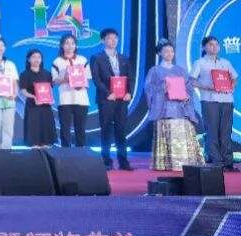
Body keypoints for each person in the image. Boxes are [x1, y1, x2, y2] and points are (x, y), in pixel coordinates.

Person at [146, 41, 205, 171]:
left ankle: (185, 162)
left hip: (180, 107)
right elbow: (148, 89)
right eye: (166, 51)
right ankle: (167, 163)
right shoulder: (154, 71)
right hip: (164, 108)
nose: (169, 54)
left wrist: (187, 96)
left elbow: (188, 87)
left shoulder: (180, 70)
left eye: (171, 51)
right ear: (160, 53)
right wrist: (162, 88)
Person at [191, 36, 238, 172]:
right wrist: (207, 87)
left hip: (227, 100)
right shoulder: (200, 63)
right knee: (212, 132)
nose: (214, 47)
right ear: (204, 47)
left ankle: (228, 162)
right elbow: (192, 81)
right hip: (209, 100)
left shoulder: (225, 62)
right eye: (211, 44)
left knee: (226, 132)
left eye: (217, 44)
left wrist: (231, 86)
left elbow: (234, 77)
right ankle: (217, 162)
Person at [90, 28, 135, 170]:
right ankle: (106, 161)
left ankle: (124, 161)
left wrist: (129, 93)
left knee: (121, 129)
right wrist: (108, 93)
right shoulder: (97, 58)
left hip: (122, 100)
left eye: (115, 38)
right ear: (103, 40)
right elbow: (96, 79)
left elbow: (130, 78)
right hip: (106, 99)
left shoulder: (124, 58)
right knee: (106, 130)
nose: (113, 40)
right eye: (109, 38)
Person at [52, 34, 91, 147]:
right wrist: (65, 79)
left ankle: (81, 152)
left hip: (81, 99)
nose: (70, 46)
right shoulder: (57, 61)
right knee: (65, 128)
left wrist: (79, 81)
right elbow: (54, 81)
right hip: (65, 99)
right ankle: (65, 152)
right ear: (62, 45)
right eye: (67, 43)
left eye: (72, 43)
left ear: (76, 45)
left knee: (81, 128)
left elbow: (88, 77)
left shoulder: (83, 60)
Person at [20, 49, 57, 148]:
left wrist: (51, 99)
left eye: (39, 57)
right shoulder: (24, 74)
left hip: (46, 106)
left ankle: (45, 148)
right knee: (34, 128)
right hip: (32, 105)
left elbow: (49, 89)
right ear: (28, 59)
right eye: (34, 57)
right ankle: (35, 149)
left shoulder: (47, 74)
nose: (37, 60)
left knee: (45, 129)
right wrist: (34, 97)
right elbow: (23, 91)